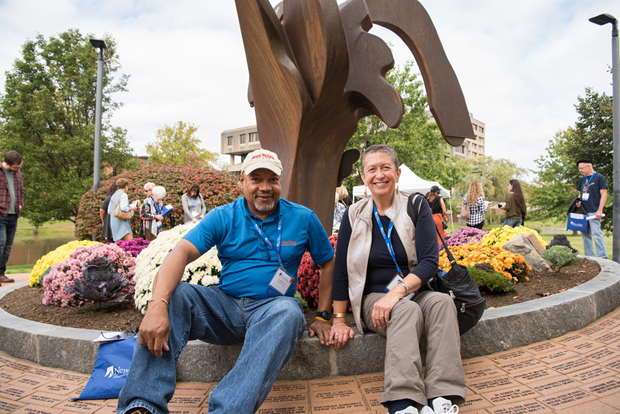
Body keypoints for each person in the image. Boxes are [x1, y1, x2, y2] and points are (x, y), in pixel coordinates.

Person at [117, 149, 336, 414]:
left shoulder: (303, 218)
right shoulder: (224, 216)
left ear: (281, 182)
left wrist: (324, 315)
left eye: (272, 179)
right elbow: (181, 253)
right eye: (256, 179)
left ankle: (227, 410)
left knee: (289, 311)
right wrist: (156, 305)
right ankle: (143, 405)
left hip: (272, 309)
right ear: (242, 181)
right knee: (176, 296)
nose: (265, 187)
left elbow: (327, 261)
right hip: (225, 307)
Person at [330, 144, 465, 414]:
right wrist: (338, 319)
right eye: (372, 169)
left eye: (386, 168)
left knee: (441, 303)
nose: (379, 175)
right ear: (363, 176)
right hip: (373, 298)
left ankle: (441, 394)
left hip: (413, 289)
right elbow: (342, 269)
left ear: (398, 173)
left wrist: (398, 291)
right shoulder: (353, 215)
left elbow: (429, 262)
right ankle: (404, 401)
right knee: (405, 310)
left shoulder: (416, 206)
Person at [0, 151, 24, 285]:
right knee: (0, 243)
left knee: (8, 245)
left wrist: (20, 204)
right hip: (1, 214)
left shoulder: (18, 174)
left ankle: (1, 274)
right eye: (16, 167)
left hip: (13, 214)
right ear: (7, 164)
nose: (18, 169)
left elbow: (21, 190)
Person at [577, 158, 608, 258]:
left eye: (581, 168)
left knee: (596, 234)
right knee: (585, 235)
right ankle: (589, 256)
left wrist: (600, 210)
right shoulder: (582, 180)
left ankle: (602, 257)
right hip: (583, 212)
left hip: (594, 211)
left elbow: (604, 195)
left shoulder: (599, 178)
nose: (580, 170)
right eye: (579, 168)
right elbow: (580, 194)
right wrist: (578, 202)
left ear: (588, 166)